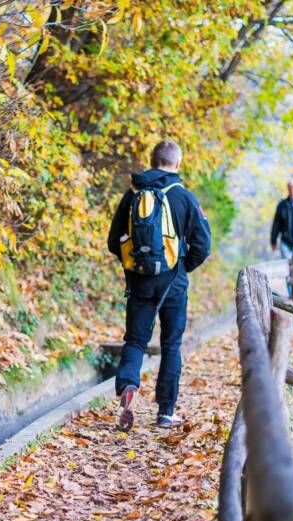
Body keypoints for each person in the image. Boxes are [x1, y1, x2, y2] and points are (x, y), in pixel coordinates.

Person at [108, 140, 211, 430]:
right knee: (170, 345)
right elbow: (203, 245)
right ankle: (166, 411)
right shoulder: (185, 197)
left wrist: (135, 267)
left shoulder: (133, 195)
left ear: (151, 160)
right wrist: (181, 266)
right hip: (174, 284)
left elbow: (113, 241)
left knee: (136, 340)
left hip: (140, 281)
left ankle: (128, 386)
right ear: (177, 164)